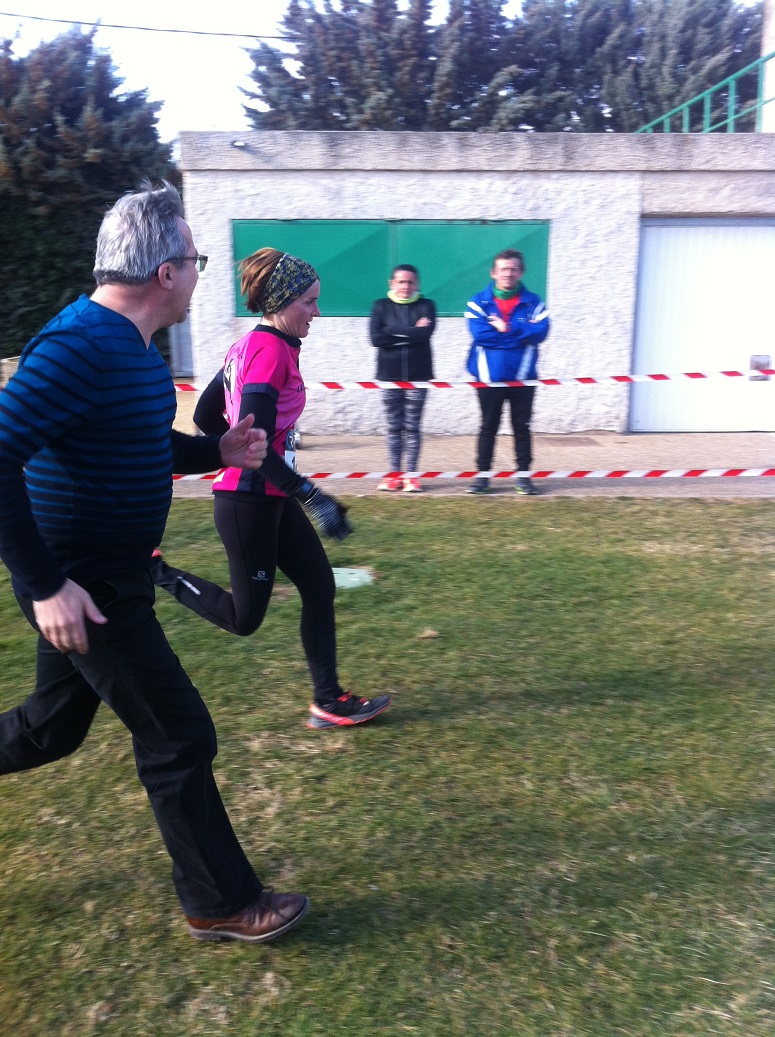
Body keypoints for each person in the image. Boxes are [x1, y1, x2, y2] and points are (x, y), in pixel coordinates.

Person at [0, 181, 311, 945]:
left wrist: (218, 451)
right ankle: (220, 898)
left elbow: (138, 442)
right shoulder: (78, 345)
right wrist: (46, 586)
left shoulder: (134, 352)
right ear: (166, 271)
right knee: (178, 734)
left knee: (49, 730)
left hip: (114, 573)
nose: (202, 274)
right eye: (197, 258)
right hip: (88, 585)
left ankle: (217, 895)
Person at [151, 247, 391, 731]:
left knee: (319, 586)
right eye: (308, 301)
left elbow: (203, 417)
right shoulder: (268, 352)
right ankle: (157, 572)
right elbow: (254, 438)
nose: (316, 312)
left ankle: (328, 699)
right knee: (245, 618)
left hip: (268, 496)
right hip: (247, 502)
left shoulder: (250, 346)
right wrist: (312, 494)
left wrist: (245, 452)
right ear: (282, 301)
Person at [465, 249, 550, 495]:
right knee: (487, 427)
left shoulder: (534, 302)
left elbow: (541, 333)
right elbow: (481, 335)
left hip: (523, 379)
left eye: (513, 269)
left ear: (521, 272)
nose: (508, 274)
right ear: (494, 272)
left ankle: (524, 478)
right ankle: (482, 478)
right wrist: (522, 333)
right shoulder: (477, 302)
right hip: (488, 379)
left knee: (521, 428)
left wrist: (506, 328)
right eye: (504, 269)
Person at [369, 264, 436, 493]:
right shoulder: (381, 306)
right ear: (392, 284)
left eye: (410, 282)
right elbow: (376, 338)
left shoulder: (427, 305)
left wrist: (391, 331)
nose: (405, 286)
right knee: (393, 427)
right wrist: (411, 332)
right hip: (389, 376)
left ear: (417, 284)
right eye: (401, 282)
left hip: (419, 377)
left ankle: (411, 476)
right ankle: (394, 475)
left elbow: (425, 334)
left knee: (413, 427)